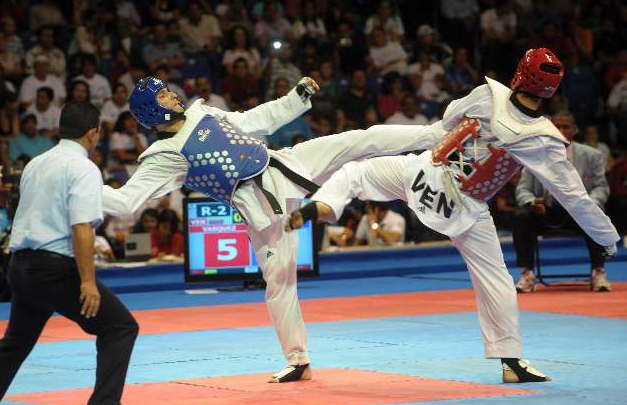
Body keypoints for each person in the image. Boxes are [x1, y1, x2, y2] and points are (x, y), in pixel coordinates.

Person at [286, 48, 620, 383]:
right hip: (466, 205)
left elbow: (449, 118)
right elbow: (574, 196)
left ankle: (327, 203)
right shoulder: (543, 138)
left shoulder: (490, 95)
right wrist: (605, 237)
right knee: (496, 280)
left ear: (520, 73)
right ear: (552, 89)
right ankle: (512, 362)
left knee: (359, 173)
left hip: (426, 172)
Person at [102, 75, 440, 383]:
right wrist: (81, 185)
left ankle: (435, 134)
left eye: (167, 90)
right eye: (162, 95)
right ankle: (298, 361)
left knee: (357, 140)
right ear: (151, 111)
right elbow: (125, 202)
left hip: (283, 165)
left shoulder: (202, 112)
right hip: (259, 208)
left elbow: (256, 119)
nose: (173, 95)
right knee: (279, 282)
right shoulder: (163, 155)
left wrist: (295, 97)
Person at [0, 100, 139, 405]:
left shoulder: (36, 163)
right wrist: (87, 281)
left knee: (15, 342)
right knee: (120, 327)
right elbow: (82, 226)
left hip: (21, 268)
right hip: (55, 271)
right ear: (93, 133)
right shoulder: (83, 168)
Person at [513, 111, 612, 292]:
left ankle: (598, 272)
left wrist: (590, 203)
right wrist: (532, 202)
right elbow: (522, 189)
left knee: (597, 213)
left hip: (580, 213)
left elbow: (602, 188)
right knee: (521, 216)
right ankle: (527, 274)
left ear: (574, 130)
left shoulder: (592, 155)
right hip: (546, 210)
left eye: (565, 127)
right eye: (556, 126)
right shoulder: (535, 155)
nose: (560, 130)